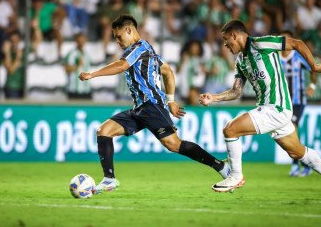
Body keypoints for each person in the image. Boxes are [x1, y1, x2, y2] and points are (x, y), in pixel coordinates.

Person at [78, 14, 231, 194]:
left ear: (129, 30)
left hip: (152, 105)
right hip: (140, 108)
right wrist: (171, 101)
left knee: (173, 144)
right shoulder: (147, 51)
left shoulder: (138, 48)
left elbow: (121, 66)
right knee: (103, 131)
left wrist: (92, 74)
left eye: (118, 36)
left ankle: (221, 166)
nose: (117, 41)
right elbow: (167, 71)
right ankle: (109, 179)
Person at [199, 20, 321, 201]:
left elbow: (296, 43)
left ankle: (235, 176)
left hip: (277, 107)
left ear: (234, 35)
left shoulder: (261, 43)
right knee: (297, 152)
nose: (225, 44)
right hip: (271, 110)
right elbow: (236, 91)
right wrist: (213, 98)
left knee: (230, 129)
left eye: (225, 39)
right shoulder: (240, 61)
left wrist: (314, 66)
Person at [279, 30, 316, 177]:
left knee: (292, 130)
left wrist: (312, 86)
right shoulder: (275, 57)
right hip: (283, 102)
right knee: (288, 135)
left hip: (298, 101)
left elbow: (314, 69)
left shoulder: (299, 57)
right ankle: (307, 164)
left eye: (287, 39)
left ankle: (296, 165)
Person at [64, 32, 92, 99]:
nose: (81, 42)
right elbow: (66, 69)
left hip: (86, 90)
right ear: (76, 41)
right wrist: (77, 66)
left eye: (83, 40)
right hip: (74, 90)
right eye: (80, 40)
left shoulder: (86, 54)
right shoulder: (71, 54)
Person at [2, 31, 24, 99]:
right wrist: (18, 58)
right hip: (12, 87)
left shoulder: (23, 51)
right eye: (12, 40)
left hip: (23, 87)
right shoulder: (7, 54)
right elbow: (11, 70)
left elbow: (37, 43)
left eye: (16, 40)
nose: (15, 42)